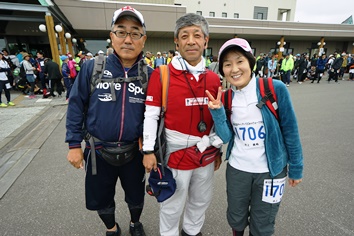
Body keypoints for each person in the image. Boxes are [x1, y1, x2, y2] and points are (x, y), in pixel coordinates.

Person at [65, 6, 153, 236]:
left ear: (143, 40)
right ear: (112, 36)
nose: (127, 39)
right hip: (98, 150)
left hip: (135, 151)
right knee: (101, 197)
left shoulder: (150, 74)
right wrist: (74, 145)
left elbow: (157, 115)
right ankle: (111, 228)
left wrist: (152, 147)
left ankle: (135, 223)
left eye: (135, 33)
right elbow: (75, 106)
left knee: (136, 195)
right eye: (121, 32)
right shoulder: (91, 67)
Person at [205, 38, 304, 236]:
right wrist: (216, 111)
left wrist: (296, 168)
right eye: (227, 64)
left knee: (263, 222)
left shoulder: (275, 88)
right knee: (236, 217)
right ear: (222, 69)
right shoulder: (225, 98)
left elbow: (291, 131)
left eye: (239, 61)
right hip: (238, 169)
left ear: (250, 62)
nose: (234, 69)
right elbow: (225, 137)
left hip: (272, 172)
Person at [142, 13, 222, 236]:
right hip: (175, 153)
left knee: (201, 199)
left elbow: (218, 119)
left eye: (197, 35)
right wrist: (148, 150)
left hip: (206, 152)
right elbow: (150, 115)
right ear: (176, 41)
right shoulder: (162, 74)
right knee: (172, 202)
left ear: (206, 40)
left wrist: (218, 151)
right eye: (184, 36)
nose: (191, 41)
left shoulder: (215, 79)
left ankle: (192, 231)